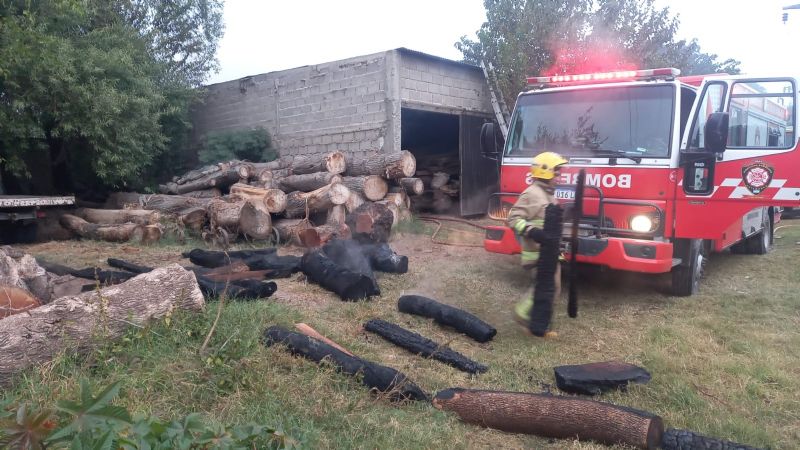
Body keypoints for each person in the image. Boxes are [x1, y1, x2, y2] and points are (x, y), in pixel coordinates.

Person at [507, 151, 568, 336]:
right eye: (557, 173)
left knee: (551, 288)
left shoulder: (548, 194)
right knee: (547, 287)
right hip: (537, 252)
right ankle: (524, 315)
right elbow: (513, 219)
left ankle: (540, 324)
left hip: (549, 252)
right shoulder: (532, 194)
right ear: (545, 171)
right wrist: (533, 232)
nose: (560, 177)